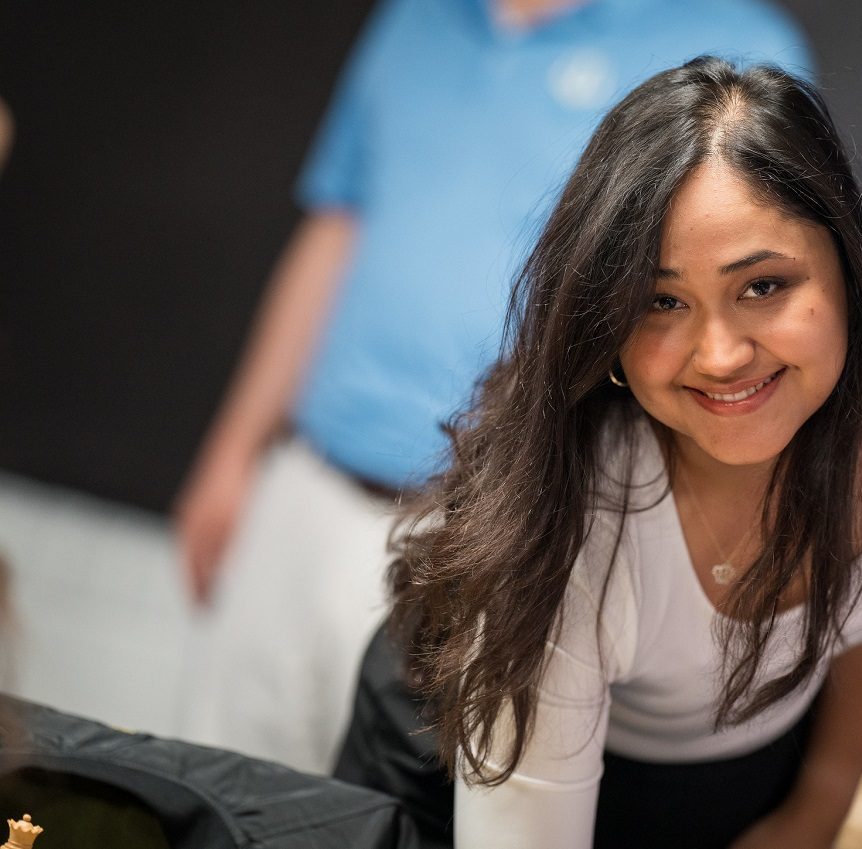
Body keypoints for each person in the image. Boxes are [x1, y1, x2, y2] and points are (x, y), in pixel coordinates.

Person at [375, 56, 862, 849]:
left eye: (764, 286)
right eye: (661, 301)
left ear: (848, 264)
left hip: (737, 765)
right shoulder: (568, 541)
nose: (719, 355)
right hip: (459, 765)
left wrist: (823, 797)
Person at [174, 0, 814, 773]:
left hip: (493, 539)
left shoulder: (733, 45)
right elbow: (340, 225)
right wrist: (234, 450)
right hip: (307, 491)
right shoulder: (417, 18)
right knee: (209, 788)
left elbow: (750, 309)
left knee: (398, 815)